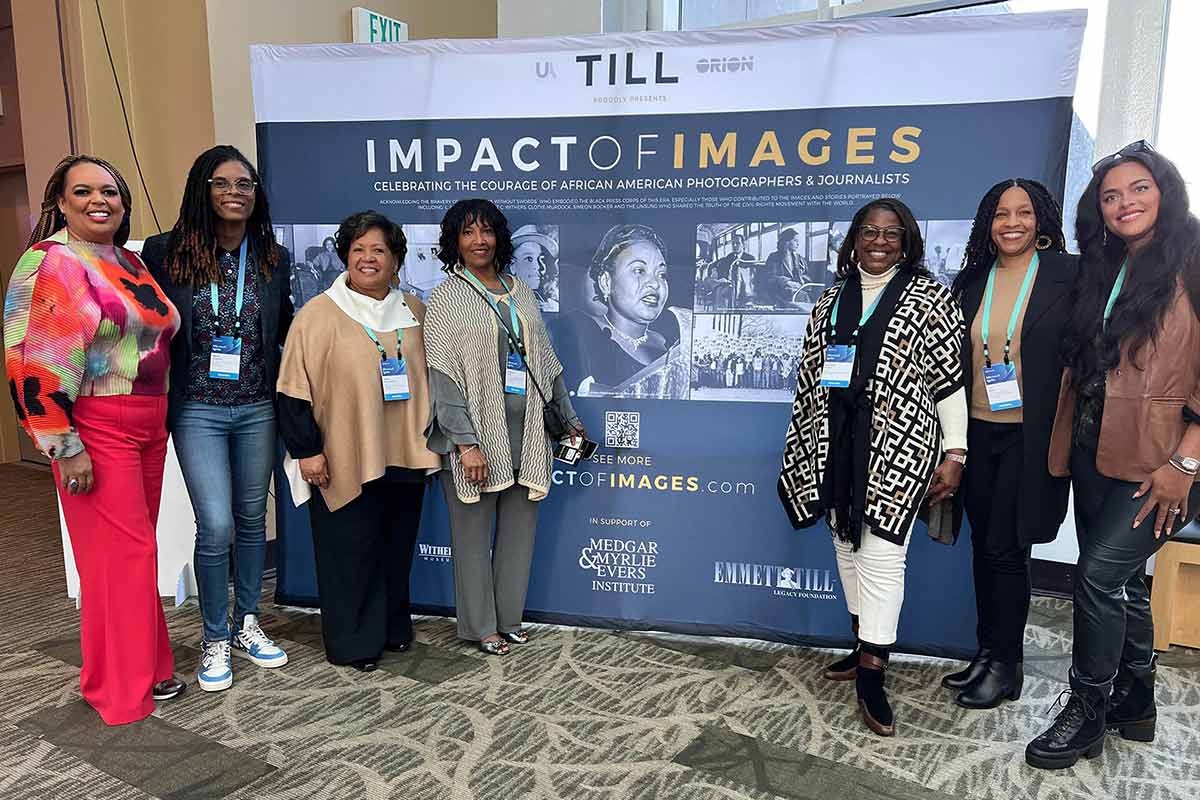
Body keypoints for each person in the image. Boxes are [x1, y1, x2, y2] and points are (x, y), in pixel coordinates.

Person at [1026, 142, 1200, 769]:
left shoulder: (1195, 254)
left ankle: (1087, 710)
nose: (1125, 203)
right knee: (1122, 580)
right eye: (1110, 195)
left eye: (1138, 189)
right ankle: (1137, 700)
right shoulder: (1104, 265)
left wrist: (1186, 461)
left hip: (1164, 460)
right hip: (1095, 447)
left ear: (1164, 191)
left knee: (1096, 576)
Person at [4, 155, 185, 724]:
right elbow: (30, 360)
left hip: (150, 423)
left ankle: (145, 668)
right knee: (123, 558)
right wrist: (62, 444)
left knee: (130, 556)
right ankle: (118, 692)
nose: (98, 200)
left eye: (110, 191)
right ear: (59, 201)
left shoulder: (126, 260)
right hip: (96, 426)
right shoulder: (48, 262)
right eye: (83, 191)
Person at [778, 198, 967, 737]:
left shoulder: (931, 298)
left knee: (883, 555)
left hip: (898, 445)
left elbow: (949, 382)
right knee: (845, 544)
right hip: (835, 445)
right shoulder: (830, 298)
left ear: (907, 240)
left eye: (891, 233)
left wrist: (956, 454)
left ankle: (873, 672)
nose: (879, 240)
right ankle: (863, 643)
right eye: (869, 231)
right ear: (854, 238)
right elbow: (812, 380)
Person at [142, 145, 292, 693]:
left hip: (256, 407)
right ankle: (213, 637)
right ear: (201, 189)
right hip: (197, 408)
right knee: (218, 524)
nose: (236, 192)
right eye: (222, 182)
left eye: (245, 184)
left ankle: (247, 621)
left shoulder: (272, 257)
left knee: (253, 519)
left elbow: (282, 332)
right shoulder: (165, 252)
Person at [277, 211, 440, 672]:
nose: (368, 259)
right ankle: (354, 642)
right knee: (350, 551)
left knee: (394, 545)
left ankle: (392, 628)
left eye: (379, 251)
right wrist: (307, 450)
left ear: (396, 260)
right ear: (345, 256)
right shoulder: (318, 314)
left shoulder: (414, 310)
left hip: (404, 450)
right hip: (342, 454)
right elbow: (292, 391)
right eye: (358, 250)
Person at [424, 198, 584, 656]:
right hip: (477, 435)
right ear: (455, 240)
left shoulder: (521, 291)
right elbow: (444, 377)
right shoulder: (448, 296)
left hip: (529, 431)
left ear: (500, 237)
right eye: (468, 232)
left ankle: (509, 618)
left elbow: (547, 365)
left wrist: (569, 421)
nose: (479, 240)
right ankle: (480, 626)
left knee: (519, 535)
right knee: (472, 538)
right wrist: (465, 444)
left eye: (487, 231)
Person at [942, 179, 1077, 709]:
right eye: (1001, 213)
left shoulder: (1070, 276)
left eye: (1024, 212)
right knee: (983, 547)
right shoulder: (973, 279)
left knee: (1007, 548)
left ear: (1041, 219)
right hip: (977, 431)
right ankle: (987, 652)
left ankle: (1007, 665)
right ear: (988, 222)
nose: (1013, 222)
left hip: (1031, 434)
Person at [554, 224, 691, 399]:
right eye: (639, 270)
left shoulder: (671, 342)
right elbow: (573, 393)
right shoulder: (575, 329)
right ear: (606, 282)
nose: (655, 283)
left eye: (662, 274)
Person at [511, 224, 559, 312]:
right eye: (529, 259)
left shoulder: (553, 306)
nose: (539, 267)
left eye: (542, 259)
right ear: (512, 266)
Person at [761, 227, 807, 308]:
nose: (798, 244)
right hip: (778, 291)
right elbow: (769, 277)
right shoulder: (774, 257)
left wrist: (801, 280)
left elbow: (806, 274)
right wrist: (787, 282)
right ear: (787, 242)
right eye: (795, 241)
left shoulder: (798, 258)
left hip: (797, 289)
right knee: (801, 296)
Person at [712, 234, 754, 307]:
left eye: (737, 243)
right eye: (733, 243)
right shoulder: (728, 257)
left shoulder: (750, 259)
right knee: (720, 291)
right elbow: (721, 269)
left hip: (745, 287)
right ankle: (723, 313)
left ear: (743, 245)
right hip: (729, 285)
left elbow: (751, 276)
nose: (734, 245)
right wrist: (720, 275)